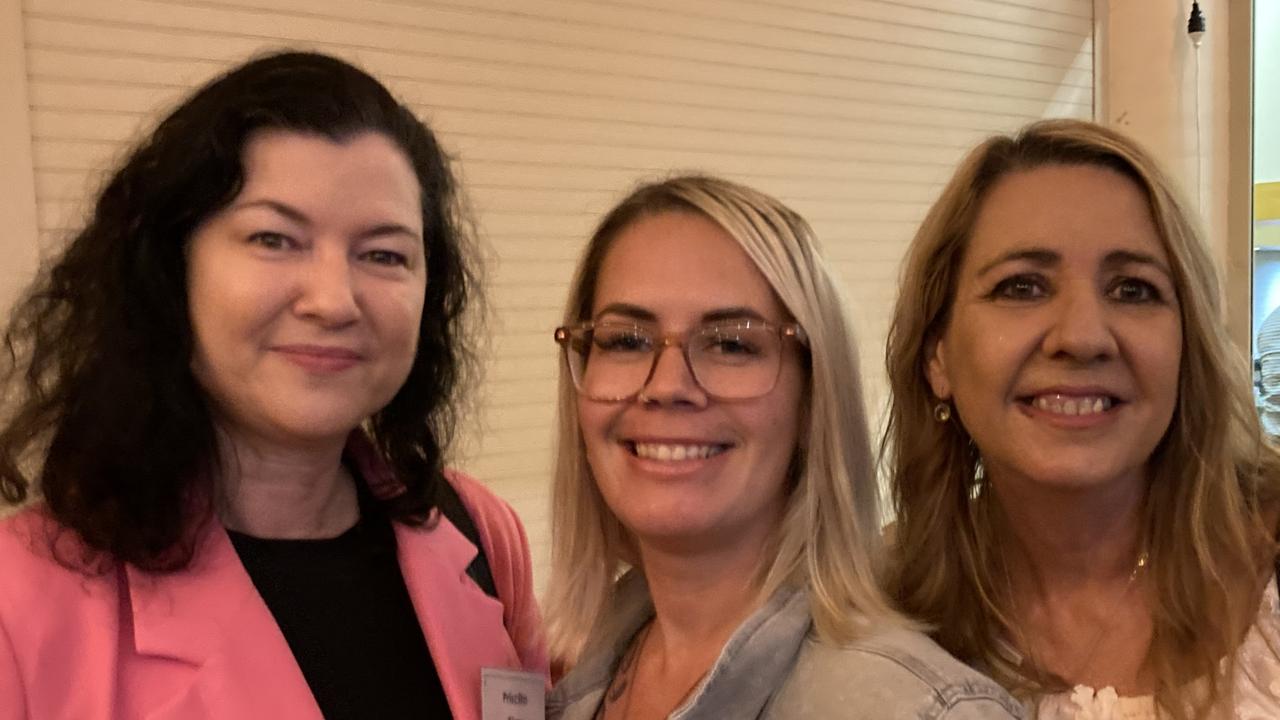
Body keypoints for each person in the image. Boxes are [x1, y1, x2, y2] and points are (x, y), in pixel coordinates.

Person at [0, 51, 546, 719]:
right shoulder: (20, 602)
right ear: (170, 271)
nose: (333, 299)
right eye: (274, 239)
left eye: (384, 254)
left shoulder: (483, 533)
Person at [543, 175, 1024, 719]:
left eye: (731, 343)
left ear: (812, 399)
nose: (667, 386)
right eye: (626, 340)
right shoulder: (583, 667)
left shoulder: (915, 710)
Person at [883, 118, 1280, 719]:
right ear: (938, 354)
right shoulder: (880, 610)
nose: (1083, 337)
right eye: (1021, 287)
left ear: (1187, 344)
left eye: (1133, 290)